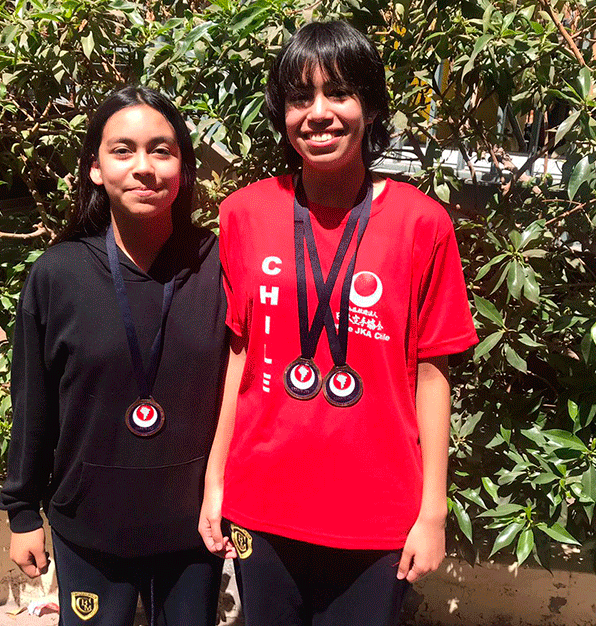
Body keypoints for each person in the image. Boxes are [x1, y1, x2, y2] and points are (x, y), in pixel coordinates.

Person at [199, 20, 478, 626]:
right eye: (300, 97)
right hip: (262, 502)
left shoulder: (421, 223)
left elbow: (433, 372)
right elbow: (239, 357)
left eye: (339, 93)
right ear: (282, 113)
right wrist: (215, 482)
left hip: (378, 510)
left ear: (370, 107)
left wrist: (432, 511)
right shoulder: (244, 214)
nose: (319, 113)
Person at [0, 86, 228, 626]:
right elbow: (32, 403)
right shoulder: (58, 275)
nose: (143, 167)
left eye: (162, 150)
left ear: (184, 168)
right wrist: (23, 510)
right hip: (90, 527)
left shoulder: (219, 266)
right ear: (95, 169)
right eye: (122, 150)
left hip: (192, 530)